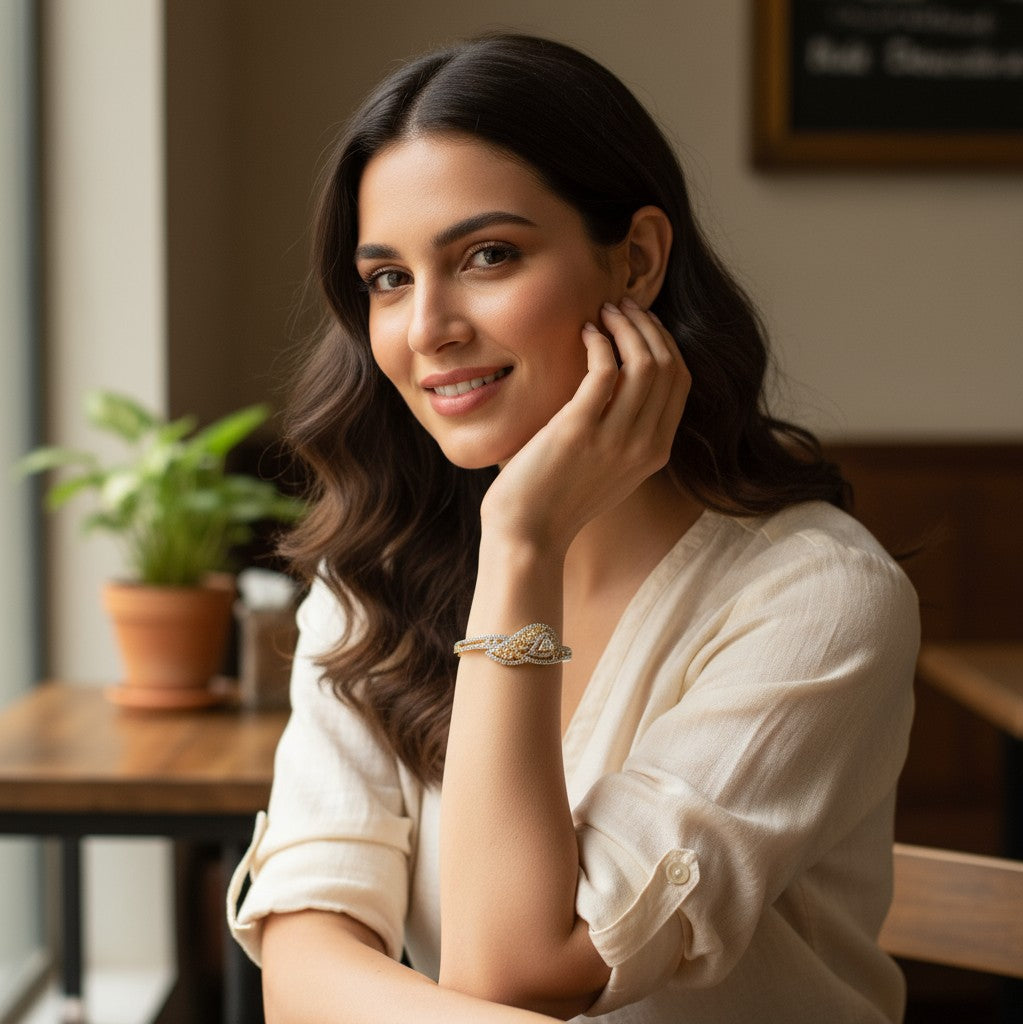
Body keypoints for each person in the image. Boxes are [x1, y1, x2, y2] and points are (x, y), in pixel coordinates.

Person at [228, 33, 919, 1024]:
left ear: (634, 260)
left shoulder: (817, 599)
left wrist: (521, 541)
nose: (427, 328)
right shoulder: (374, 568)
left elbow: (516, 968)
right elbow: (302, 967)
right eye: (387, 278)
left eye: (487, 256)